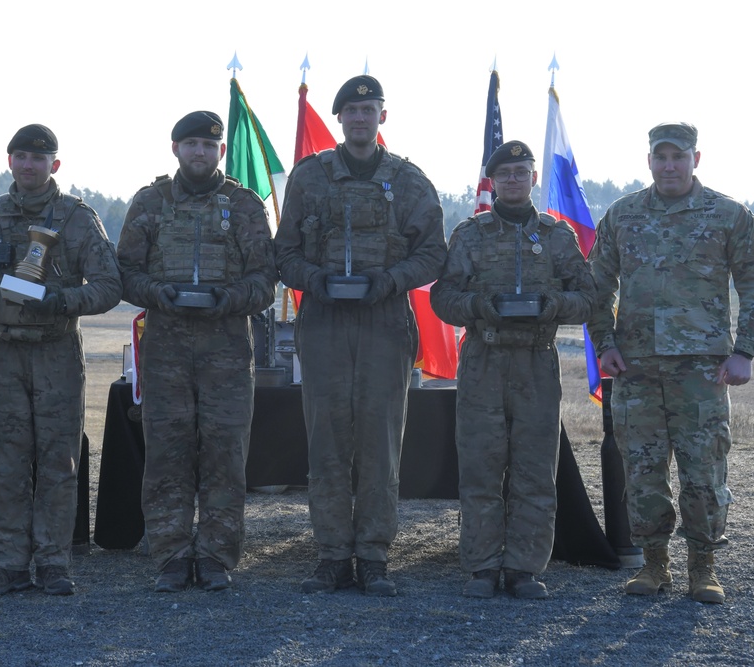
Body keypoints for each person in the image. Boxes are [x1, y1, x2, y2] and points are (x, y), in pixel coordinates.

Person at [588, 122, 754, 604]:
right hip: (636, 370)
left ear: (697, 158)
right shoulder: (623, 215)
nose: (669, 165)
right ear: (648, 160)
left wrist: (744, 350)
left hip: (702, 372)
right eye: (661, 157)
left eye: (679, 156)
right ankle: (653, 565)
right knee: (644, 471)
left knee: (703, 473)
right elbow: (597, 286)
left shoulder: (729, 215)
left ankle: (703, 569)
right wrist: (604, 342)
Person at [275, 75, 446, 597]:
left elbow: (433, 253)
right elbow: (283, 253)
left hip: (384, 324)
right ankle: (331, 556)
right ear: (339, 119)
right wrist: (315, 280)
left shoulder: (408, 180)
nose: (359, 118)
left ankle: (372, 556)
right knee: (327, 442)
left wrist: (388, 281)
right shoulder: (310, 177)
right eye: (350, 110)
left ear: (382, 118)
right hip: (325, 322)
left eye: (368, 109)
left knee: (379, 445)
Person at [0, 124, 122, 597]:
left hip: (57, 351)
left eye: (39, 157)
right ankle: (6, 564)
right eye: (21, 156)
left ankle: (53, 561)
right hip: (5, 352)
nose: (29, 165)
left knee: (58, 461)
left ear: (55, 164)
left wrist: (61, 300)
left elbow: (109, 287)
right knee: (7, 463)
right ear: (9, 161)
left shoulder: (76, 219)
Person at [117, 111, 277, 592]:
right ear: (175, 150)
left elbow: (265, 280)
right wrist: (156, 292)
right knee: (168, 453)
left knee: (224, 454)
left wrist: (229, 299)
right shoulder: (150, 202)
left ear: (221, 152)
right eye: (190, 145)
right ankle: (169, 553)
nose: (200, 153)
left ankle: (215, 556)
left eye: (209, 146)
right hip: (166, 348)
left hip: (226, 349)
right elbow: (124, 271)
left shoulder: (245, 205)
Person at [430, 140, 596, 599]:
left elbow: (590, 298)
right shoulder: (470, 234)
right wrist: (481, 306)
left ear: (533, 178)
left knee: (534, 470)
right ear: (492, 181)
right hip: (484, 358)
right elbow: (442, 298)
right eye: (504, 174)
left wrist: (551, 304)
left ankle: (524, 567)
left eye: (521, 172)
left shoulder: (557, 236)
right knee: (482, 467)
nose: (513, 181)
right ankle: (482, 566)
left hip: (537, 363)